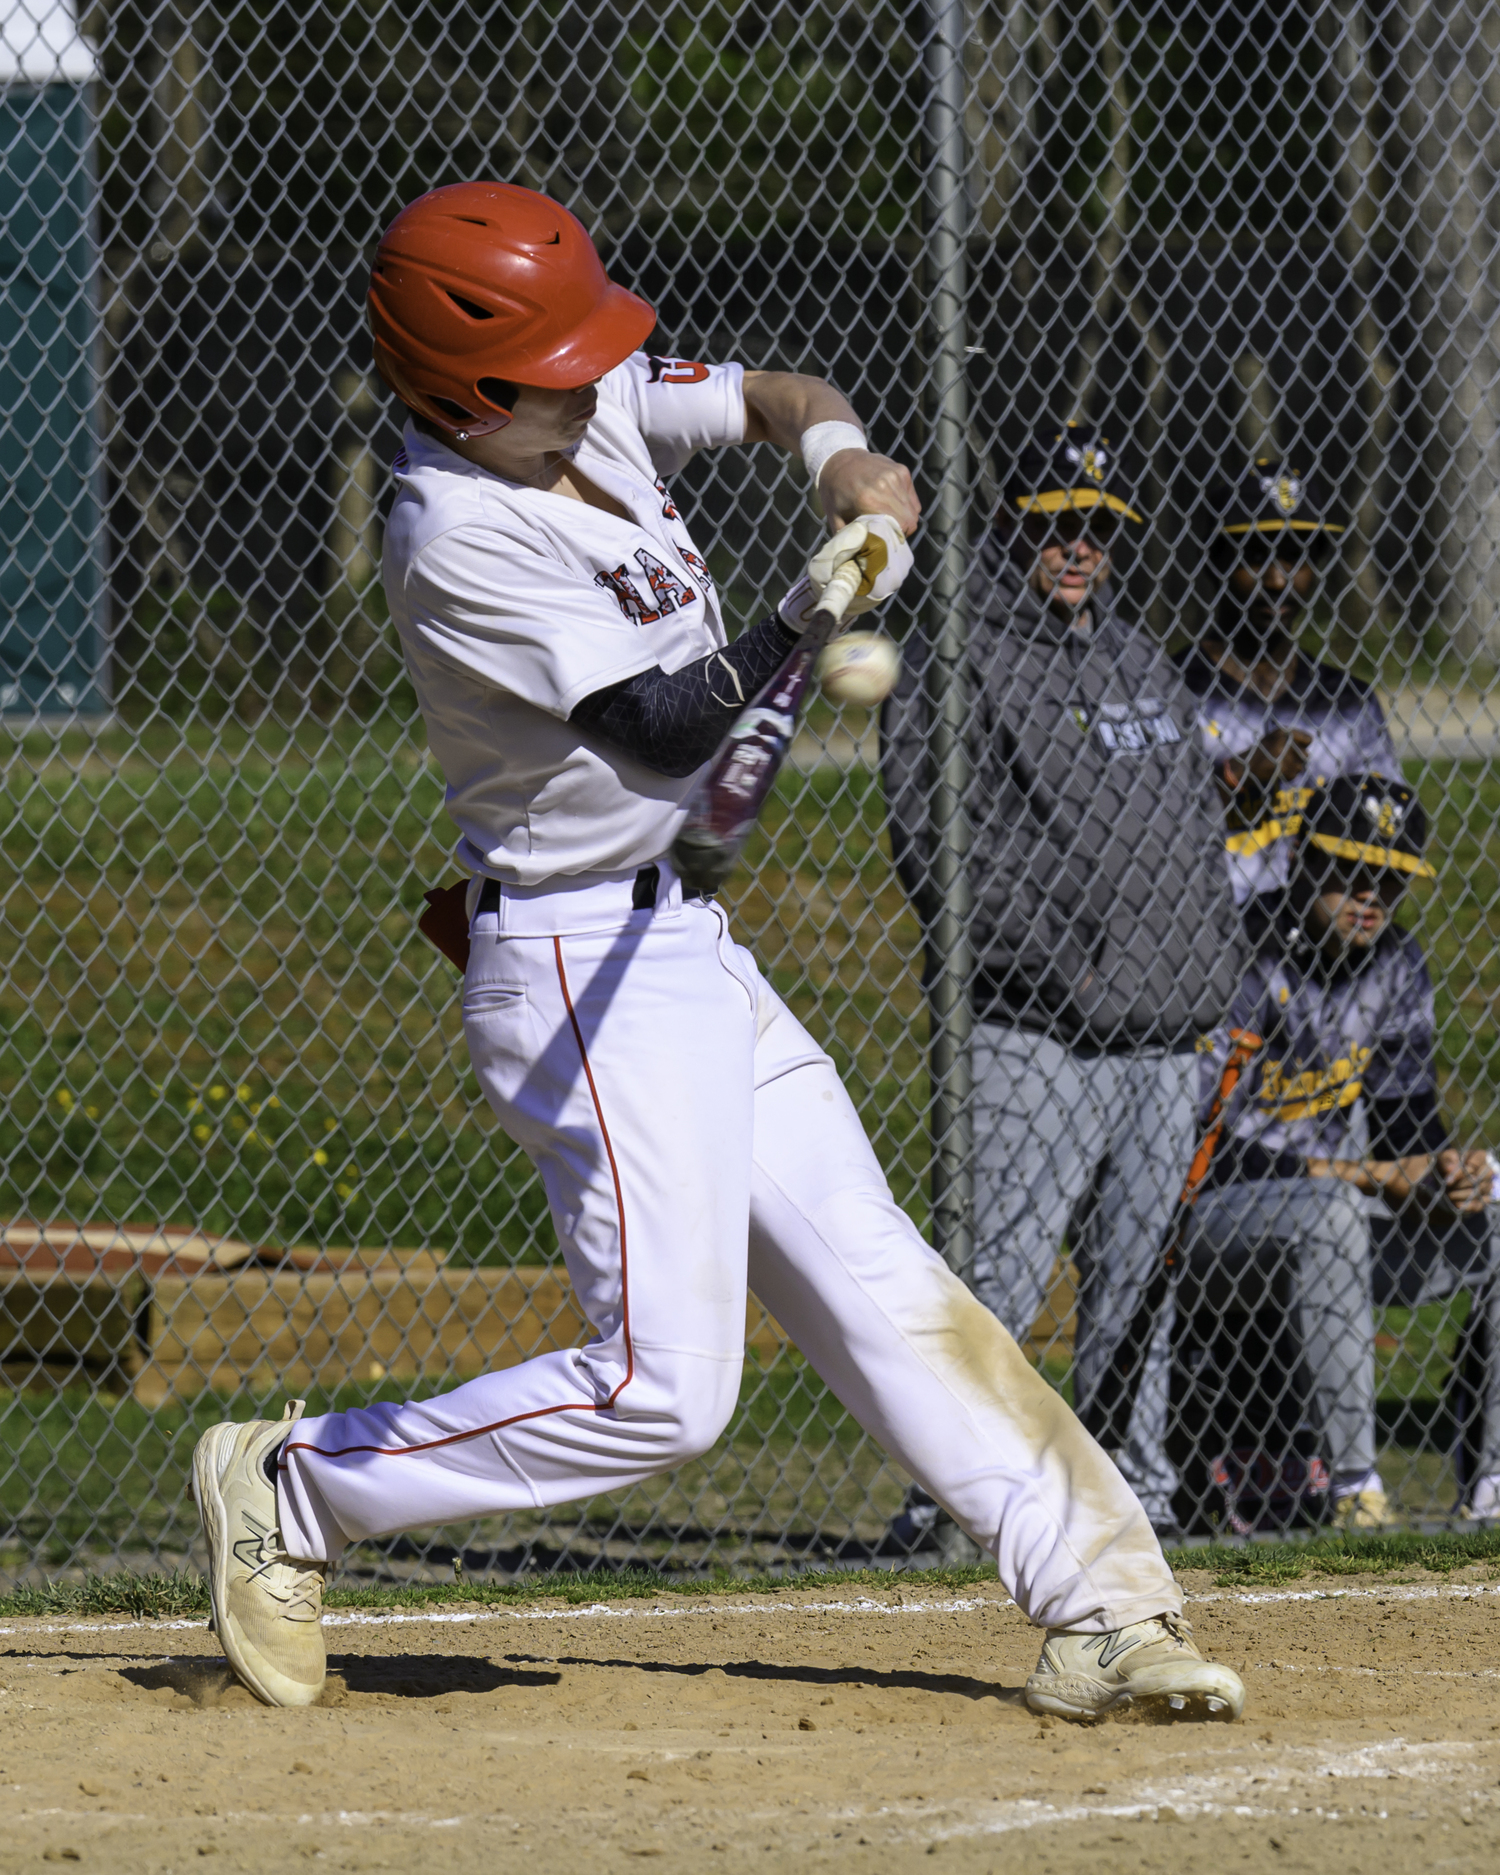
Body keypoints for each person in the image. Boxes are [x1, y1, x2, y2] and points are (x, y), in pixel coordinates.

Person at [188, 183, 1244, 1723]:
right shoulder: (452, 527)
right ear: (463, 388)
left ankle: (1106, 1605)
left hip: (681, 940)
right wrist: (815, 602)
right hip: (573, 978)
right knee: (665, 1390)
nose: (588, 382)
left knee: (886, 1278)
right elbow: (665, 722)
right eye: (550, 368)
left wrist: (842, 462)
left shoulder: (575, 396)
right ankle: (300, 1481)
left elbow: (783, 396)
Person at [882, 423, 1244, 1543]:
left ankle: (1126, 1499)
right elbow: (939, 850)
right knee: (998, 1277)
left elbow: (1195, 828)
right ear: (1012, 528)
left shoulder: (1139, 659)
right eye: (1055, 527)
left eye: (1097, 528)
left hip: (1165, 1029)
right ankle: (952, 1506)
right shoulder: (959, 658)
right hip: (1041, 1026)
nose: (1079, 548)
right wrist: (1073, 956)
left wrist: (1211, 973)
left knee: (1140, 1289)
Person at [1175, 774, 1500, 1531]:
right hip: (1208, 1220)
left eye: (1390, 879)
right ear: (1302, 860)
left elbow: (1403, 1121)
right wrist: (1355, 1174)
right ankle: (1357, 1489)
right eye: (1350, 870)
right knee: (1327, 1212)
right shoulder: (1243, 953)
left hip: (1337, 1214)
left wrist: (1440, 1172)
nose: (1371, 895)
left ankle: (1490, 1486)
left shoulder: (1395, 960)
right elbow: (1196, 1145)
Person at [1176, 460, 1401, 910]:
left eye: (1295, 556)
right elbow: (1139, 831)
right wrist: (1235, 778)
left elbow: (1391, 828)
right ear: (1216, 561)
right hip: (1200, 939)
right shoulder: (1170, 690)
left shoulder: (1348, 704)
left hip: (1318, 948)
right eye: (1256, 557)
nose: (1277, 581)